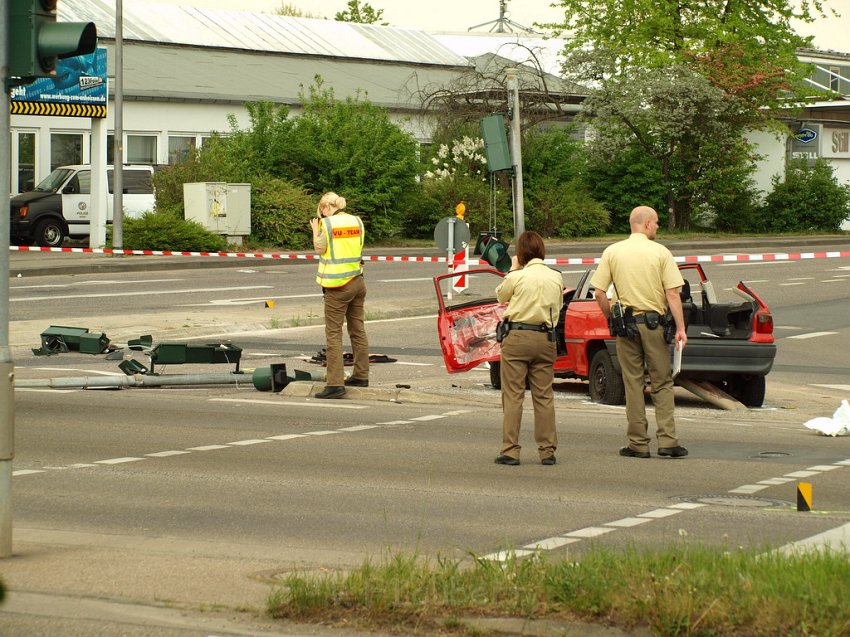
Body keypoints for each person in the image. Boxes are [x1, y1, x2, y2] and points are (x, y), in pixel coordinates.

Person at [590, 206, 689, 458]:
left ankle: (638, 443)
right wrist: (680, 328)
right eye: (655, 222)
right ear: (646, 224)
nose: (657, 226)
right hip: (655, 325)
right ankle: (667, 442)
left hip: (625, 327)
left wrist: (612, 318)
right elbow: (672, 293)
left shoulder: (612, 251)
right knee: (662, 382)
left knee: (632, 383)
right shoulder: (660, 253)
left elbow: (599, 292)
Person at [493, 231, 564, 466]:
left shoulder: (518, 276)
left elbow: (501, 296)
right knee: (544, 396)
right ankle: (547, 451)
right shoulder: (556, 277)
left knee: (513, 395)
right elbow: (559, 306)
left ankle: (511, 450)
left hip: (518, 337)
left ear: (521, 254)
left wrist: (513, 269)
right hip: (545, 338)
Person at [309, 192, 369, 399]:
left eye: (321, 211)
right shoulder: (357, 221)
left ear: (326, 206)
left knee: (333, 334)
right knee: (357, 330)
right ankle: (361, 375)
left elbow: (320, 248)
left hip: (337, 286)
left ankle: (335, 384)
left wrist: (315, 231)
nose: (321, 215)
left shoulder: (328, 225)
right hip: (357, 281)